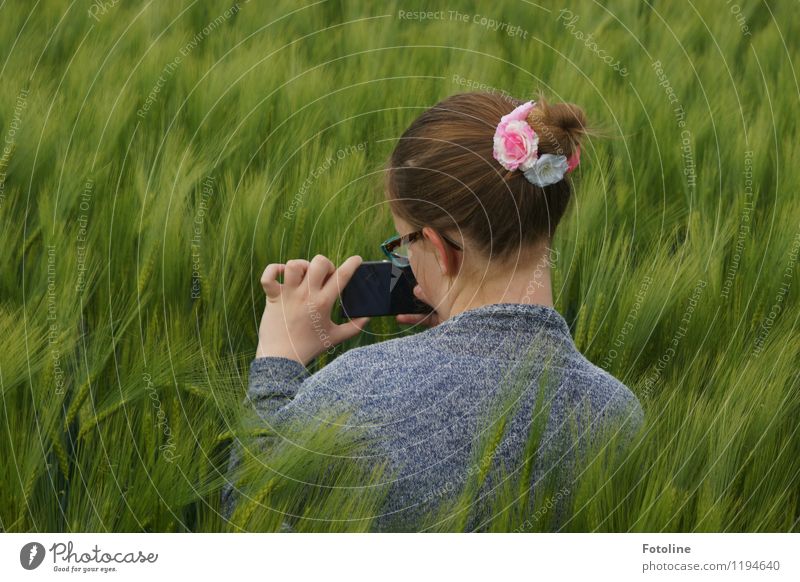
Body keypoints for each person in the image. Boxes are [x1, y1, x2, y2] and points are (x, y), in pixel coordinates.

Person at [222, 91, 644, 531]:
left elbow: (255, 518)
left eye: (404, 244)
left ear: (440, 250)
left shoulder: (359, 390)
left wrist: (278, 360)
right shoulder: (618, 414)